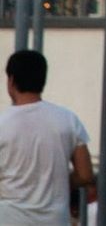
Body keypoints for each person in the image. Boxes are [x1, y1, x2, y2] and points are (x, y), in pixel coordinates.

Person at [0, 51, 93, 226]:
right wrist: (59, 182)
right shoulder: (68, 120)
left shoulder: (2, 123)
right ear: (43, 80)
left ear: (11, 81)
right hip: (55, 219)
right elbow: (86, 175)